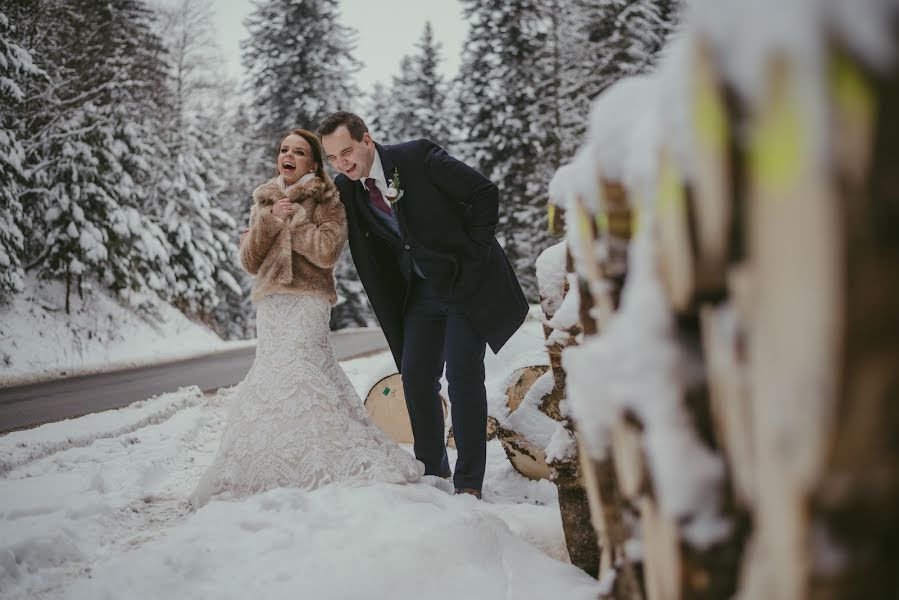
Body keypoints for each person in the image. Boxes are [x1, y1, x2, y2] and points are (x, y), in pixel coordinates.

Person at [190, 128, 424, 508]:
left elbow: (328, 251)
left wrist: (294, 219)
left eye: (299, 152)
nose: (289, 156)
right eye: (284, 150)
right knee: (272, 377)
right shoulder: (264, 197)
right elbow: (250, 261)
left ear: (314, 163)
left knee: (305, 373)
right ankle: (272, 466)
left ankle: (322, 463)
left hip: (308, 302)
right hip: (270, 304)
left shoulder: (327, 198)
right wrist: (267, 222)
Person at [318, 112, 528, 499]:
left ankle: (468, 482)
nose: (342, 163)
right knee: (415, 377)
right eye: (332, 158)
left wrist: (475, 252)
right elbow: (315, 209)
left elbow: (484, 192)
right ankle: (433, 470)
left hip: (465, 287)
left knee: (463, 377)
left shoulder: (417, 157)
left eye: (346, 151)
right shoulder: (347, 189)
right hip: (420, 293)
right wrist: (274, 219)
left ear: (367, 139)